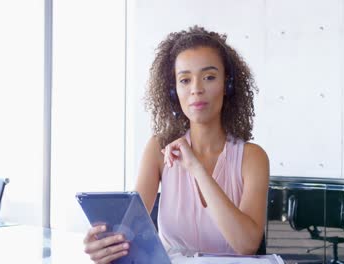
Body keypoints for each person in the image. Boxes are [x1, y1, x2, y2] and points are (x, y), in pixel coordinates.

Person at [83, 25, 269, 264]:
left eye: (209, 77)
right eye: (185, 80)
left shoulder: (253, 157)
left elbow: (246, 245)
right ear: (174, 91)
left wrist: (196, 168)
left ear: (228, 85)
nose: (196, 89)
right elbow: (126, 232)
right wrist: (104, 245)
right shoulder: (157, 149)